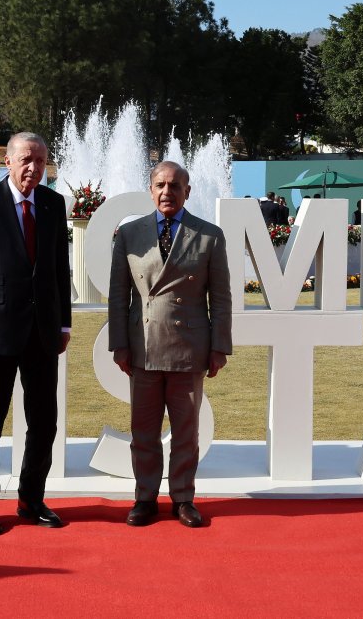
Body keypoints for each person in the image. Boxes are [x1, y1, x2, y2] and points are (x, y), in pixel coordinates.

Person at [0, 132, 71, 537]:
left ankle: (30, 500)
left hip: (42, 334)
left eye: (40, 161)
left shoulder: (55, 205)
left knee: (45, 423)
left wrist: (64, 323)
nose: (33, 168)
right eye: (26, 159)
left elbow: (60, 270)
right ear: (7, 161)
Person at [109, 161, 232, 528]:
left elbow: (221, 298)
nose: (167, 191)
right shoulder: (129, 234)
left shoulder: (209, 235)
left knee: (186, 433)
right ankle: (145, 498)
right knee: (143, 431)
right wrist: (119, 343)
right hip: (143, 345)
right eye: (161, 185)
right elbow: (119, 296)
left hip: (189, 348)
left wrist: (219, 346)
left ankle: (182, 498)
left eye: (175, 186)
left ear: (188, 192)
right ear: (150, 190)